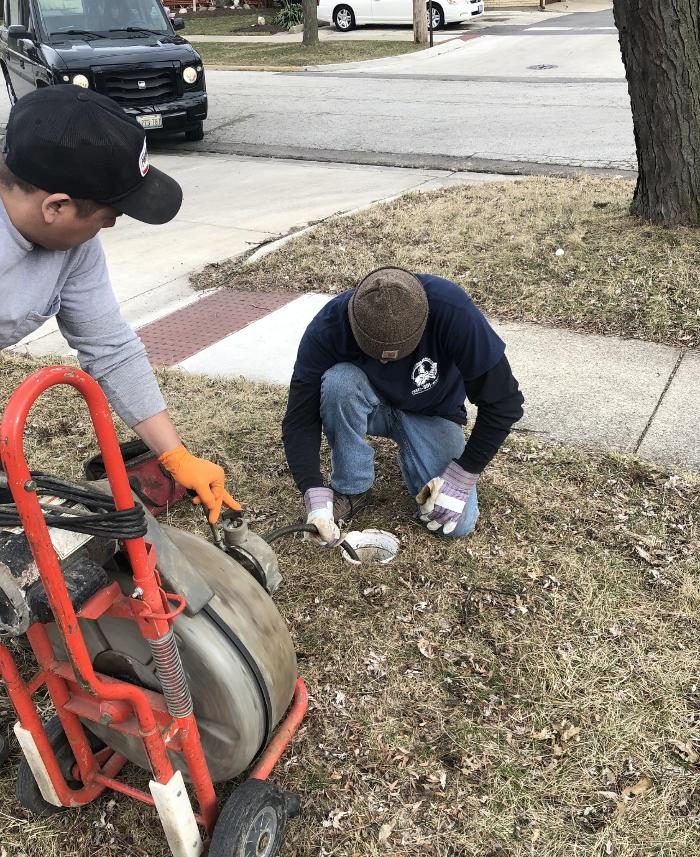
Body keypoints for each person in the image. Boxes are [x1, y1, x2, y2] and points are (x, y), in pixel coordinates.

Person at [0, 85, 237, 523]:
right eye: (109, 218)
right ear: (56, 206)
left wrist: (175, 455)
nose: (109, 227)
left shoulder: (73, 245)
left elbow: (109, 347)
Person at [282, 267, 524, 545]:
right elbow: (299, 420)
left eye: (397, 354)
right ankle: (352, 489)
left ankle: (417, 454)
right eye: (376, 354)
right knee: (339, 382)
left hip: (434, 412)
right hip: (369, 403)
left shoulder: (453, 310)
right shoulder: (329, 326)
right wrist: (314, 495)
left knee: (458, 524)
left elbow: (505, 402)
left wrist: (462, 476)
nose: (385, 363)